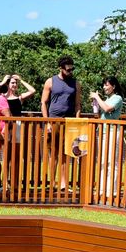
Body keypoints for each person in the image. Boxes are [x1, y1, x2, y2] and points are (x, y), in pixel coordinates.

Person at [40, 56, 79, 191]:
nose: (70, 72)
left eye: (72, 69)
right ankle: (52, 183)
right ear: (61, 68)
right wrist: (47, 122)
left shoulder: (75, 83)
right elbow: (43, 103)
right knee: (53, 153)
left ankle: (63, 183)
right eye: (68, 69)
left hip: (69, 122)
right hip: (53, 120)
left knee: (65, 153)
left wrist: (77, 122)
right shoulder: (50, 81)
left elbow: (78, 105)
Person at [90, 76, 125, 200]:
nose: (104, 87)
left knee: (112, 161)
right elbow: (100, 114)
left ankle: (112, 190)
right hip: (103, 132)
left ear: (113, 86)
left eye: (106, 85)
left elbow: (107, 108)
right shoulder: (107, 99)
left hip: (112, 131)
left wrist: (97, 97)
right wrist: (95, 106)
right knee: (103, 161)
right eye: (104, 85)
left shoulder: (117, 98)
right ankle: (101, 188)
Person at [2, 74, 36, 193]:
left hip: (18, 126)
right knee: (6, 157)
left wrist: (21, 80)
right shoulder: (2, 97)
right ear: (8, 84)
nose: (14, 85)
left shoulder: (19, 97)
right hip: (6, 126)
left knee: (16, 157)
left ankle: (15, 183)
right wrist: (3, 81)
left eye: (15, 83)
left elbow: (32, 90)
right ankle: (5, 183)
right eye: (12, 83)